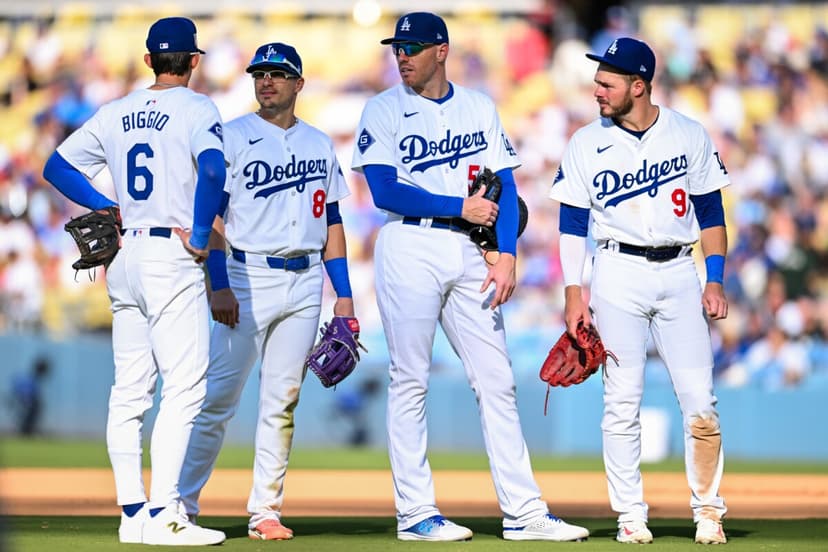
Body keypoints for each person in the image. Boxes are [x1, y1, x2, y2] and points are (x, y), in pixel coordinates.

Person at [351, 12, 589, 543]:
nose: (402, 55)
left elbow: (505, 184)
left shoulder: (478, 106)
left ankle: (524, 512)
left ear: (441, 50)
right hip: (408, 242)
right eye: (397, 47)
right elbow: (385, 191)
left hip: (469, 250)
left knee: (497, 378)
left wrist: (506, 255)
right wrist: (458, 205)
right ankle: (416, 513)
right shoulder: (383, 108)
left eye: (413, 46)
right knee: (410, 378)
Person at [42, 17, 227, 546]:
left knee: (129, 392)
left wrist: (107, 206)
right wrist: (200, 233)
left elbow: (57, 167)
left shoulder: (117, 111)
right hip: (171, 253)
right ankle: (166, 513)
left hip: (125, 255)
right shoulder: (197, 107)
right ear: (194, 60)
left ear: (149, 60)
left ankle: (132, 514)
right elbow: (213, 172)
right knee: (185, 387)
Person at [548, 37, 729, 545]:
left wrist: (714, 277)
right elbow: (571, 225)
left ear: (638, 85)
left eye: (607, 83)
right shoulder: (585, 142)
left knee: (701, 400)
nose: (596, 90)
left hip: (679, 271)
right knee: (621, 401)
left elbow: (711, 213)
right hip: (616, 271)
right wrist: (573, 292)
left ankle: (708, 511)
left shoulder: (687, 134)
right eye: (597, 81)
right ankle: (630, 513)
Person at [177, 42, 356, 541]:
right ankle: (180, 503)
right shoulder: (232, 137)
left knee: (282, 401)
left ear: (299, 83)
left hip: (305, 280)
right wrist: (218, 283)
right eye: (260, 73)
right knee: (218, 398)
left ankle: (265, 511)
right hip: (247, 276)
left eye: (277, 73)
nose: (267, 81)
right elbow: (213, 218)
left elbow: (332, 221)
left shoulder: (319, 143)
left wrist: (343, 295)